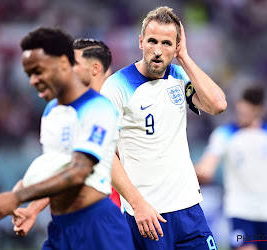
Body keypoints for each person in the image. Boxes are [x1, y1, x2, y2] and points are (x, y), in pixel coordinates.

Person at [0, 27, 134, 250]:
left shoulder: (100, 108)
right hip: (61, 227)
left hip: (98, 224)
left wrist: (17, 197)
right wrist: (27, 203)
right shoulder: (52, 111)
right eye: (29, 73)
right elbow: (56, 167)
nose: (34, 80)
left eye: (39, 71)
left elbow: (79, 171)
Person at [100, 5, 227, 250]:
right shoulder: (116, 86)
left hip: (190, 210)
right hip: (149, 215)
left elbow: (218, 104)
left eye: (167, 44)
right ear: (141, 42)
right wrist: (138, 205)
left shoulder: (179, 76)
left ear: (177, 46)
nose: (158, 51)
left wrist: (186, 58)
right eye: (152, 41)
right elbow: (105, 153)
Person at [11, 37, 121, 237]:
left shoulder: (117, 108)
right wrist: (33, 209)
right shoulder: (57, 110)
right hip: (71, 223)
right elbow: (62, 169)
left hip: (111, 218)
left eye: (74, 64)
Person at [195, 86, 267, 250]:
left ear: (259, 109)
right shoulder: (224, 134)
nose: (243, 114)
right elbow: (207, 168)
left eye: (248, 110)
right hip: (240, 210)